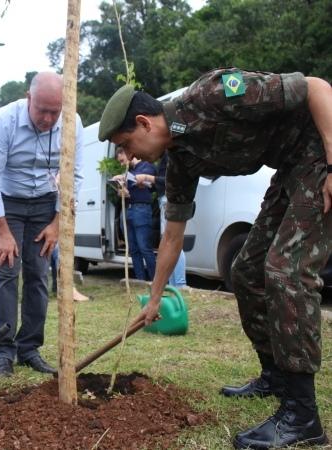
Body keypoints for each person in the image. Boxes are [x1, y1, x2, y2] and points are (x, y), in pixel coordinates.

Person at [98, 68, 332, 449]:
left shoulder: (212, 96)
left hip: (321, 157)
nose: (129, 156)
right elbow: (173, 235)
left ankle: (303, 417)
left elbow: (316, 88)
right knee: (245, 270)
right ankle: (274, 376)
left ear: (143, 122)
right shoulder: (180, 162)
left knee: (284, 271)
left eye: (126, 144)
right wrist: (155, 298)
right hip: (291, 168)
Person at [0, 72, 84, 377]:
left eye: (55, 111)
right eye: (42, 110)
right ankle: (2, 352)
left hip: (45, 205)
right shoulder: (3, 121)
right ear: (28, 98)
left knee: (39, 275)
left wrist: (56, 223)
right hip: (7, 204)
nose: (49, 118)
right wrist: (2, 231)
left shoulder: (71, 122)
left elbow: (74, 178)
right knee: (7, 272)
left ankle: (29, 349)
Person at [134, 151, 187, 287]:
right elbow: (161, 183)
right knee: (172, 242)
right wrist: (147, 184)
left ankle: (180, 283)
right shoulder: (164, 157)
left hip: (167, 201)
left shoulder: (170, 156)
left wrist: (147, 177)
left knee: (174, 243)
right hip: (164, 200)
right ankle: (175, 283)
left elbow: (170, 180)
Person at [112, 147, 157, 281]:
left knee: (145, 248)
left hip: (141, 210)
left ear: (128, 154)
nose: (121, 164)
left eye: (122, 160)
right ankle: (140, 281)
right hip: (127, 211)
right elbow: (119, 195)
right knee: (133, 250)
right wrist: (120, 193)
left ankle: (156, 281)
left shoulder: (146, 165)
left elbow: (146, 181)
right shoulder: (128, 171)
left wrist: (123, 177)